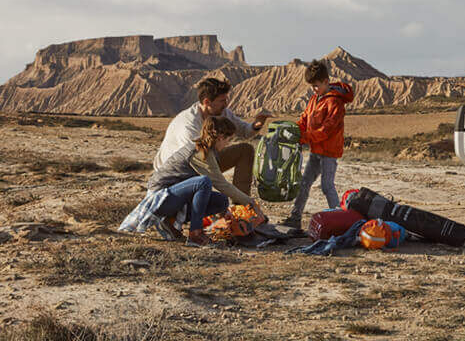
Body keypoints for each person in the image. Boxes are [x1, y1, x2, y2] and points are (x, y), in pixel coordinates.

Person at [122, 116, 265, 245]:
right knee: (203, 182)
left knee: (221, 201)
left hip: (174, 198)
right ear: (220, 137)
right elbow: (221, 184)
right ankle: (195, 234)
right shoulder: (200, 152)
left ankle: (170, 221)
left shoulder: (208, 151)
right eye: (228, 140)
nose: (228, 144)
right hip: (161, 197)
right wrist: (251, 203)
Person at [153, 77, 271, 195]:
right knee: (208, 190)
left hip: (204, 158)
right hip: (177, 174)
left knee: (245, 150)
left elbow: (245, 132)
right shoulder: (189, 124)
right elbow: (194, 161)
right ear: (206, 102)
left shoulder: (221, 113)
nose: (226, 104)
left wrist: (257, 124)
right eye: (222, 101)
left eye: (226, 99)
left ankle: (241, 208)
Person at [282, 61, 354, 229]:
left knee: (326, 186)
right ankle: (295, 218)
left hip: (329, 152)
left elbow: (326, 130)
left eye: (316, 86)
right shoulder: (314, 99)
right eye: (312, 86)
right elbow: (304, 120)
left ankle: (340, 221)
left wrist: (305, 138)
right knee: (304, 183)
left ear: (326, 81)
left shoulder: (335, 102)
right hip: (316, 150)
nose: (313, 89)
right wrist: (295, 132)